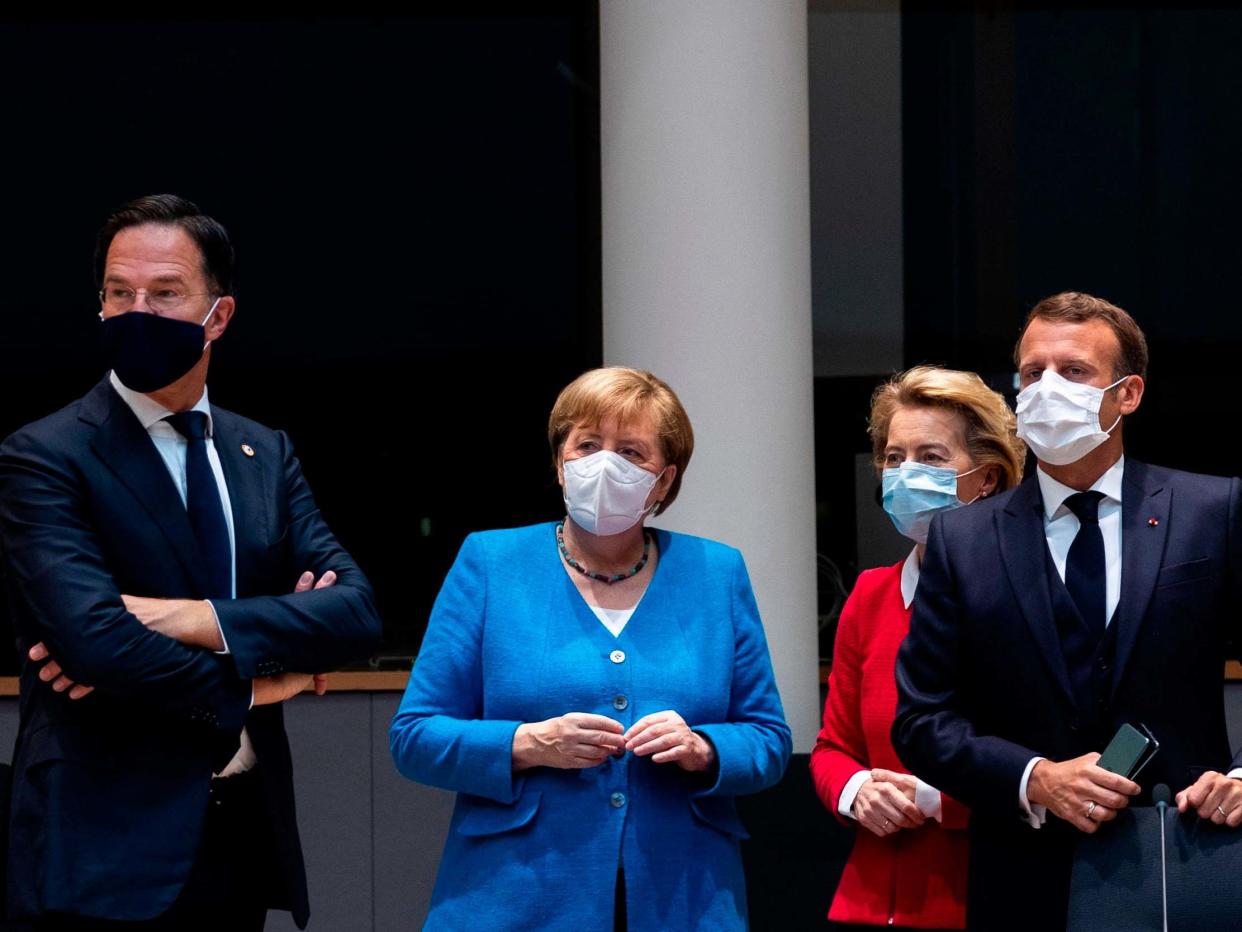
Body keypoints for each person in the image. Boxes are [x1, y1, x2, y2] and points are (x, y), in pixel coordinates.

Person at [0, 194, 382, 930]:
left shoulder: (262, 451)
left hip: (239, 829)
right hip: (101, 848)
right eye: (120, 293)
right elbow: (94, 643)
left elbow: (355, 612)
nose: (137, 310)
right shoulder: (43, 455)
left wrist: (194, 619)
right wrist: (270, 679)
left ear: (220, 316)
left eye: (165, 294)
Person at [390, 366, 791, 931]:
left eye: (631, 452)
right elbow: (414, 736)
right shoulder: (490, 563)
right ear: (560, 462)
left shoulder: (716, 572)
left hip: (683, 896)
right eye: (587, 444)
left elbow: (769, 739)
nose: (605, 464)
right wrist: (529, 742)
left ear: (664, 480)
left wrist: (703, 748)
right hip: (513, 897)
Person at [892, 292, 1242, 931]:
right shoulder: (963, 540)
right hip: (1025, 873)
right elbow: (921, 719)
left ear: (1127, 393)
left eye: (1074, 372)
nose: (1047, 388)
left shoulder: (1210, 511)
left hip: (1188, 856)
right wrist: (1034, 777)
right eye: (1032, 373)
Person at [810, 366, 1024, 930]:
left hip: (987, 891)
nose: (906, 474)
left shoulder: (1031, 596)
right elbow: (833, 749)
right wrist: (857, 790)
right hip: (869, 897)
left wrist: (937, 798)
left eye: (930, 457)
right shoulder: (870, 594)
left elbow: (1049, 763)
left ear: (988, 477)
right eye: (894, 457)